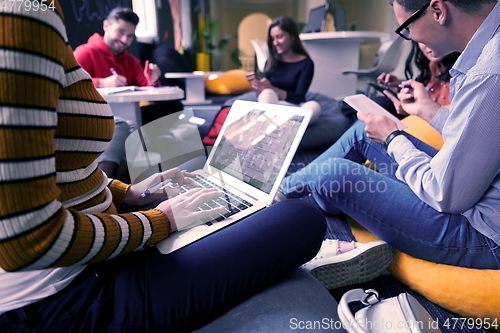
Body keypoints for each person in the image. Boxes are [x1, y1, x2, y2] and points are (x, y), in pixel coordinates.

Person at [0, 3, 334, 332]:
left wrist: (127, 192)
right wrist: (160, 220)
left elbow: (63, 165)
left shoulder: (40, 13)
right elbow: (28, 242)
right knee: (301, 218)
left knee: (245, 207)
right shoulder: (22, 15)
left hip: (97, 249)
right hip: (64, 299)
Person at [276, 0, 500, 284]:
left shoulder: (489, 73)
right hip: (476, 194)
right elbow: (483, 137)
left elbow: (447, 195)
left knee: (331, 174)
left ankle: (293, 198)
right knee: (362, 131)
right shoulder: (490, 52)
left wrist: (393, 137)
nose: (411, 38)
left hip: (483, 232)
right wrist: (427, 109)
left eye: (406, 28)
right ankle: (282, 192)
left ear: (438, 11)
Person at [248, 16, 322, 123]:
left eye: (280, 37)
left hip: (294, 107)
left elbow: (298, 97)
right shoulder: (271, 61)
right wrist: (259, 88)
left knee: (315, 106)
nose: (275, 42)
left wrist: (274, 89)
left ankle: (278, 124)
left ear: (292, 37)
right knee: (267, 93)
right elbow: (264, 97)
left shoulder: (306, 63)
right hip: (274, 105)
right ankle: (284, 124)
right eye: (273, 38)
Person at [73, 6, 161, 88]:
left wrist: (153, 80)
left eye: (130, 36)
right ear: (106, 26)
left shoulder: (131, 61)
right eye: (120, 32)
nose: (124, 40)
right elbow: (68, 84)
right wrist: (100, 83)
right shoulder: (84, 53)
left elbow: (147, 86)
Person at [376, 41, 460, 114]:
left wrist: (414, 112)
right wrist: (399, 88)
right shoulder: (431, 67)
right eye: (421, 40)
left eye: (433, 36)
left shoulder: (463, 74)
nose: (427, 44)